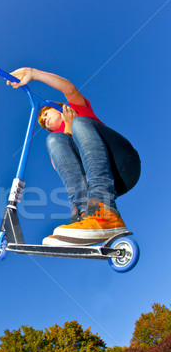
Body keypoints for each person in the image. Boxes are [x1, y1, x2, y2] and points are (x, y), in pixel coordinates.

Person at [7, 67, 141, 246]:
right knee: (54, 140)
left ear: (60, 108)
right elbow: (63, 168)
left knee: (79, 123)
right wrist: (67, 130)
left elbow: (68, 89)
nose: (44, 120)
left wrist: (33, 73)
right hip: (111, 184)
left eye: (46, 113)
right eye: (43, 122)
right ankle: (86, 216)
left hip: (123, 163)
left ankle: (104, 211)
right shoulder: (58, 139)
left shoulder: (78, 110)